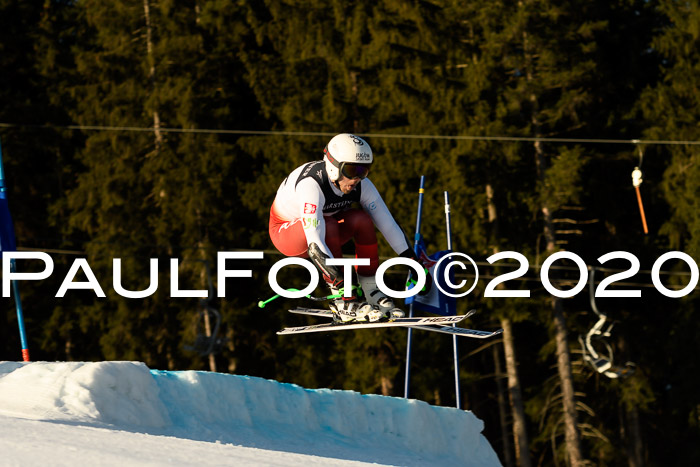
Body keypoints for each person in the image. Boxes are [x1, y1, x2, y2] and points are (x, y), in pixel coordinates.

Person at [268, 133, 422, 323]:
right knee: (329, 223)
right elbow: (314, 239)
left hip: (323, 230)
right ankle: (342, 302)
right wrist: (341, 284)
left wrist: (414, 263)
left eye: (364, 171)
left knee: (361, 220)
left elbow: (387, 223)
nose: (357, 178)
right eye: (351, 170)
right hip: (287, 232)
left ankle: (371, 289)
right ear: (334, 168)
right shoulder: (311, 185)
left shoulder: (360, 185)